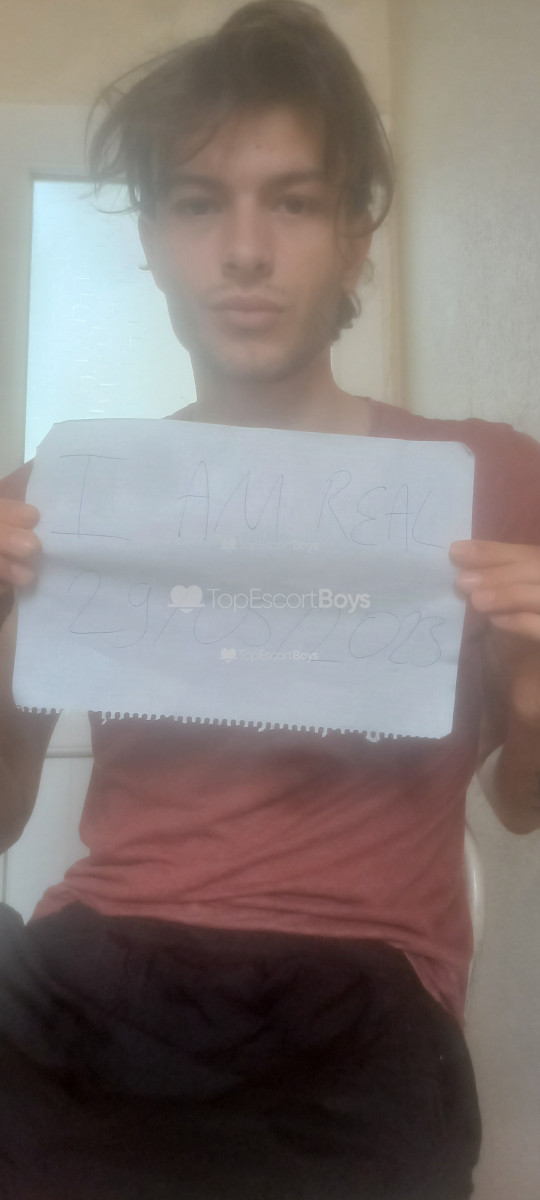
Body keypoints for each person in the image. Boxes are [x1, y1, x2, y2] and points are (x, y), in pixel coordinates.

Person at [0, 2, 539, 1197]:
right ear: (153, 237)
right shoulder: (63, 493)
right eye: (200, 203)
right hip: (92, 978)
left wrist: (535, 696)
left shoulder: (490, 479)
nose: (244, 250)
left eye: (293, 203)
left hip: (359, 995)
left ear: (355, 235)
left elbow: (522, 805)